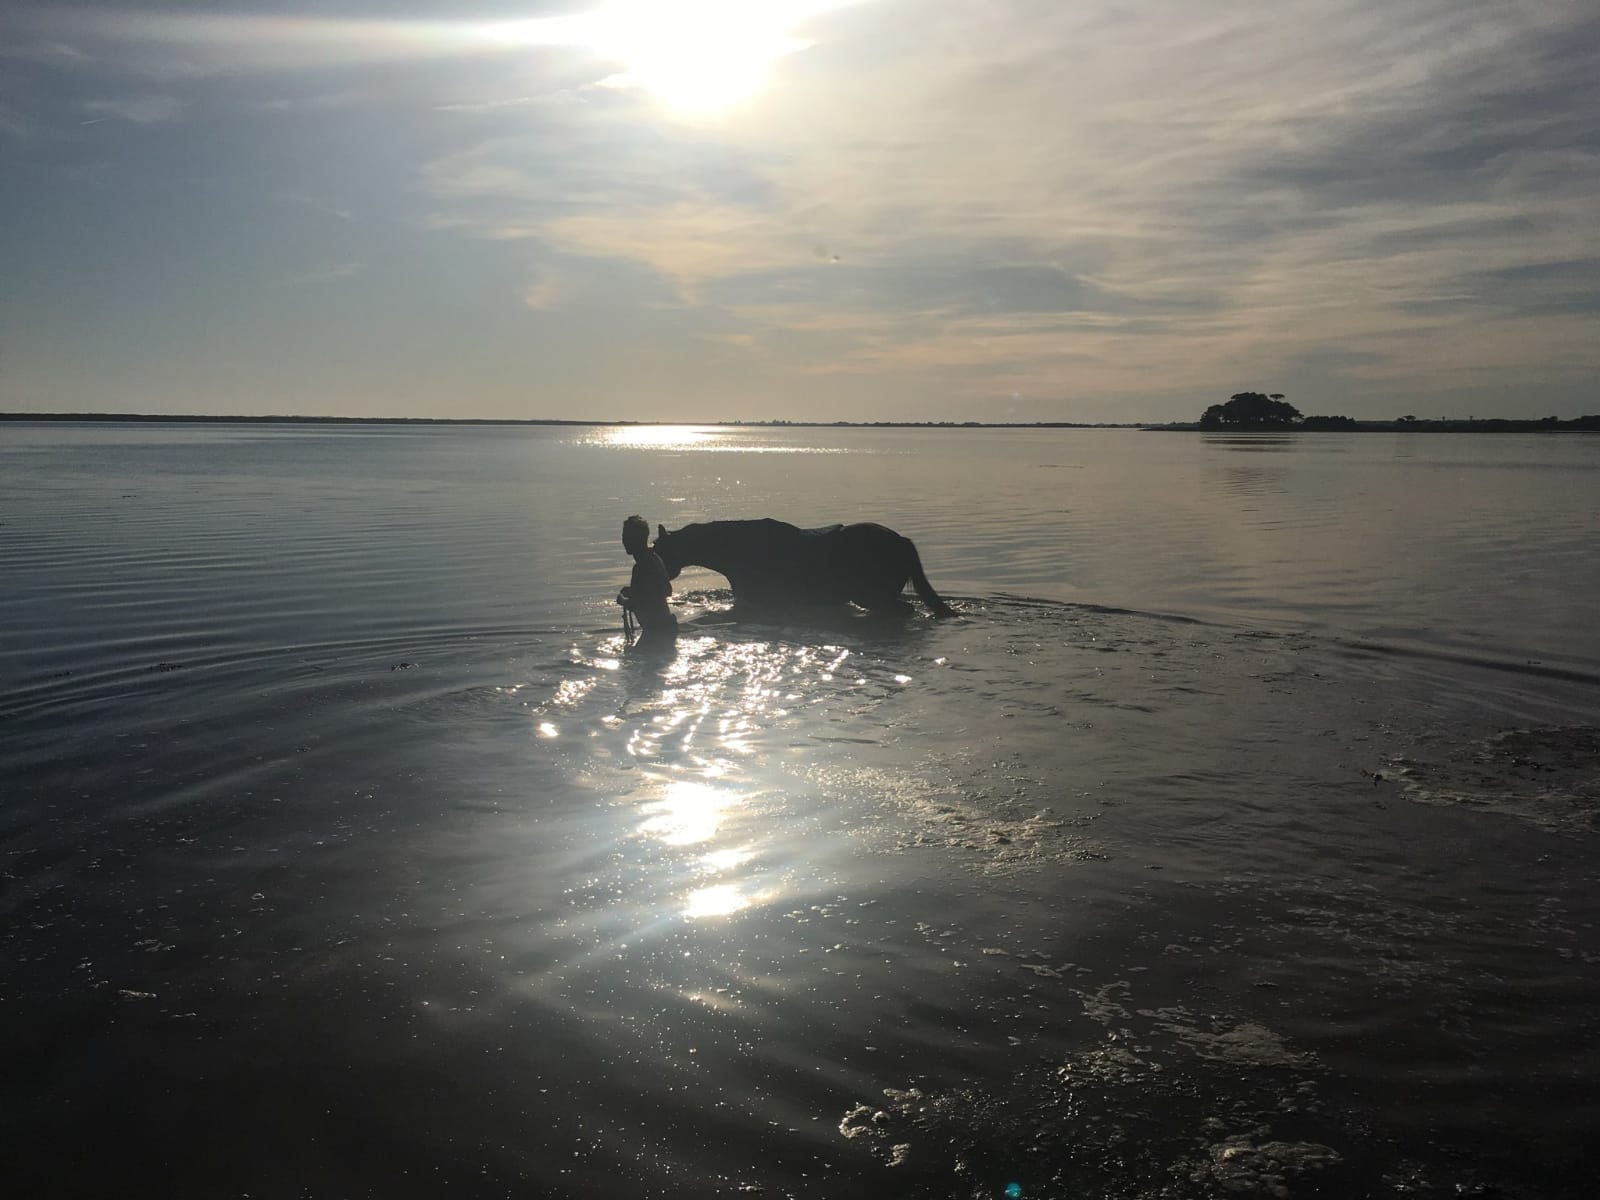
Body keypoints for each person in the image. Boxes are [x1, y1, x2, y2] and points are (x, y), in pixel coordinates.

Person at [617, 514, 677, 646]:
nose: (624, 541)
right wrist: (635, 590)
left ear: (638, 540)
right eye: (624, 537)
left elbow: (636, 603)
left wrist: (621, 600)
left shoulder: (640, 568)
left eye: (627, 537)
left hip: (655, 632)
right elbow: (666, 590)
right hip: (667, 627)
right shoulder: (655, 559)